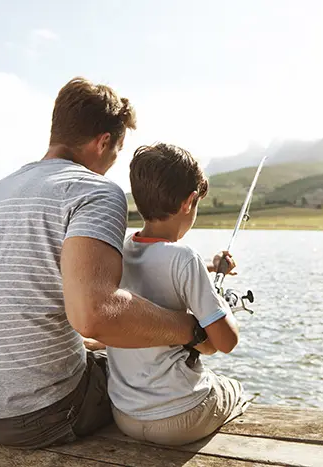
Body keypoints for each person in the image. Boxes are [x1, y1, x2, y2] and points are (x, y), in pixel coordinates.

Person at [0, 78, 203, 449]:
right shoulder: (94, 190)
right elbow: (95, 313)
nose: (110, 164)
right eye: (116, 151)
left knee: (106, 348)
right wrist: (189, 329)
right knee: (140, 371)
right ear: (103, 141)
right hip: (34, 416)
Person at [104, 143, 250, 446]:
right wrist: (219, 299)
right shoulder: (186, 258)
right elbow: (226, 341)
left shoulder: (118, 249)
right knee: (235, 389)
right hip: (181, 419)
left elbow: (156, 266)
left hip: (125, 416)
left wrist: (209, 269)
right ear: (190, 201)